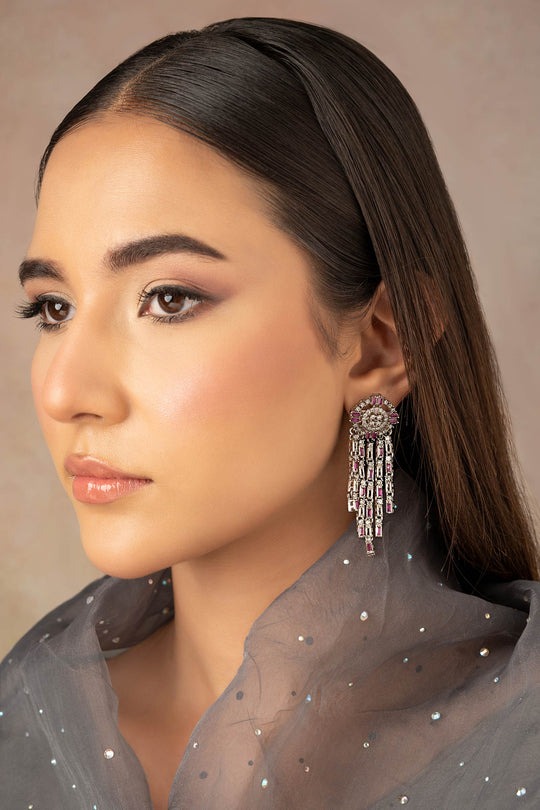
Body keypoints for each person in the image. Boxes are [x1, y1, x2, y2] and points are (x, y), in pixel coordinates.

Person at [1, 16, 538, 810]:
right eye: (53, 307)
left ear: (381, 346)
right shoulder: (23, 725)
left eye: (168, 299)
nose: (64, 392)